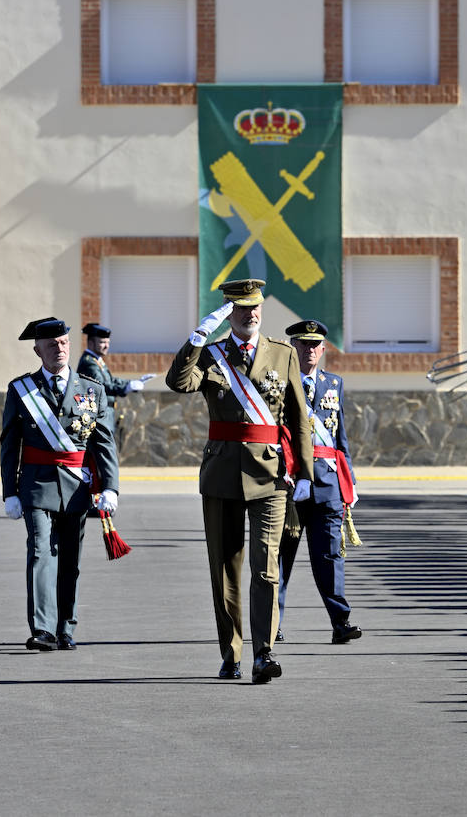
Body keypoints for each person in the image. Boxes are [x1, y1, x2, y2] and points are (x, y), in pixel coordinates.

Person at [166, 278, 313, 684]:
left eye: (256, 307)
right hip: (222, 474)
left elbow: (299, 419)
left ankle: (263, 654)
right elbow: (178, 382)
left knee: (265, 568)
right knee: (225, 569)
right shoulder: (212, 355)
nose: (252, 314)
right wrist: (197, 336)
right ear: (229, 312)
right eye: (243, 308)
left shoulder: (282, 354)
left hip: (270, 476)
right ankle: (231, 653)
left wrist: (303, 473)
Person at [0, 317, 119, 652]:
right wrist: (10, 491)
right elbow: (9, 445)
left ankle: (66, 627)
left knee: (70, 560)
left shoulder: (91, 389)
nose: (59, 350)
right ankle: (43, 629)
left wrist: (110, 486)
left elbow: (104, 442)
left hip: (77, 487)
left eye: (64, 343)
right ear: (38, 350)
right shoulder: (21, 390)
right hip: (36, 486)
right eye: (52, 345)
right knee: (40, 553)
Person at [276, 319, 361, 645]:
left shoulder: (333, 383)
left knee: (330, 557)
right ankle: (272, 623)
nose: (309, 350)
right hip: (289, 484)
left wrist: (349, 481)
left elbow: (340, 439)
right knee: (280, 559)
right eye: (303, 344)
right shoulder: (279, 383)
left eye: (315, 345)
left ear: (323, 349)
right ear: (293, 347)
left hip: (327, 485)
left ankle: (340, 621)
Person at [76, 322, 154, 412]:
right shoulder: (89, 362)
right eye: (102, 342)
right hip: (97, 412)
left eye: (108, 342)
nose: (107, 346)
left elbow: (111, 380)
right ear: (90, 343)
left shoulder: (96, 360)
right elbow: (101, 385)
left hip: (104, 411)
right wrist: (125, 388)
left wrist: (131, 383)